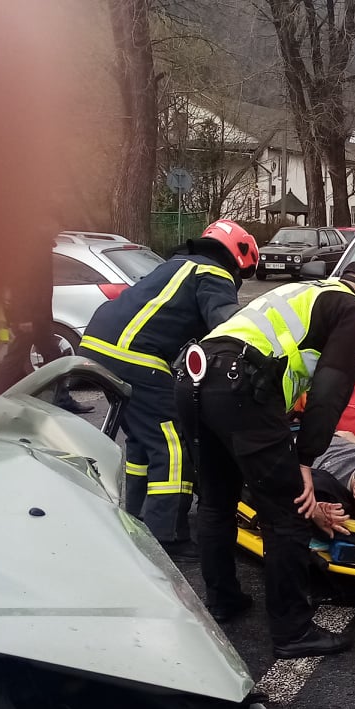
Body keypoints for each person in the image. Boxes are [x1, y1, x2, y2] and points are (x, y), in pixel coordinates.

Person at [183, 260, 355, 658]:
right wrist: (306, 459)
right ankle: (293, 631)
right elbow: (332, 387)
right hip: (239, 383)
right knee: (289, 511)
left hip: (195, 375)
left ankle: (223, 599)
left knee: (216, 500)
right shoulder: (353, 311)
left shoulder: (303, 293)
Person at [80, 220, 257, 556]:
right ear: (238, 256)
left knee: (143, 439)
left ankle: (134, 515)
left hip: (98, 345)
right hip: (134, 354)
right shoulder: (214, 273)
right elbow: (228, 325)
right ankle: (167, 536)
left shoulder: (178, 265)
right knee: (173, 442)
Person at [0, 244, 92, 414]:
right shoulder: (31, 247)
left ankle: (61, 398)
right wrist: (24, 317)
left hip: (40, 317)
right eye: (56, 223)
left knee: (53, 356)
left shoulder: (41, 246)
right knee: (15, 359)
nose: (58, 229)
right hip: (32, 317)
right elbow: (22, 284)